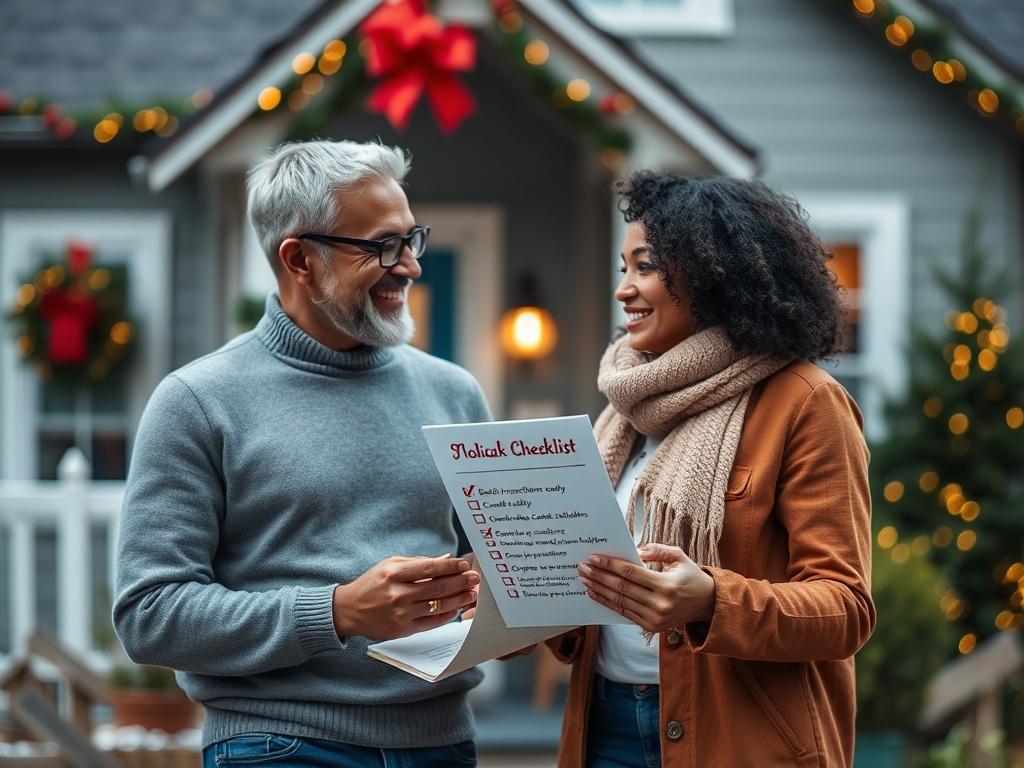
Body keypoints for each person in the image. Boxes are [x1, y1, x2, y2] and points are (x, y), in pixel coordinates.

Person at [113, 140, 487, 767]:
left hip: (443, 744)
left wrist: (515, 617)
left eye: (410, 239)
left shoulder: (454, 392)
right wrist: (338, 612)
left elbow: (491, 570)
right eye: (380, 246)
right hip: (279, 747)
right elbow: (150, 615)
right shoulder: (198, 402)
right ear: (299, 259)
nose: (409, 266)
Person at [549, 172, 875, 768]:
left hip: (742, 740)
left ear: (713, 274)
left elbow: (845, 608)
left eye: (644, 267)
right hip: (604, 728)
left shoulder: (804, 401)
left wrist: (711, 602)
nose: (624, 290)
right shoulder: (624, 409)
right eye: (623, 268)